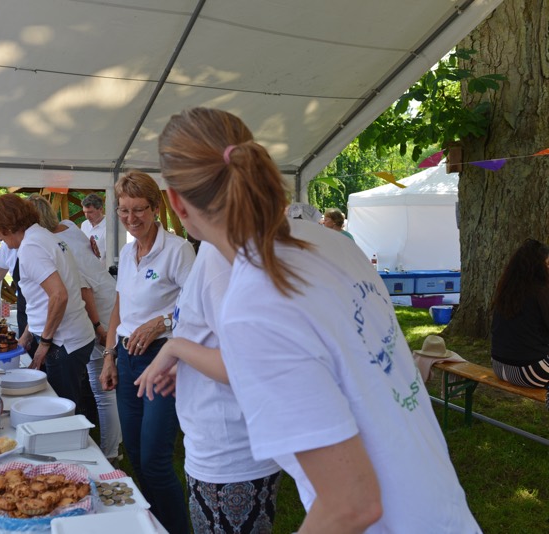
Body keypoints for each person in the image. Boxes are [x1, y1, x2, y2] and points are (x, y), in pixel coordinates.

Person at [153, 107, 479, 533]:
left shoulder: (254, 304)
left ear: (175, 202)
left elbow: (352, 504)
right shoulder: (331, 244)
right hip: (441, 509)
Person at [135, 242, 282, 533]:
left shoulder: (221, 259)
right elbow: (219, 342)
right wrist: (187, 368)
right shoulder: (213, 253)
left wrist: (175, 348)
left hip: (231, 453)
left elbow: (244, 364)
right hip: (217, 446)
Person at [99, 171, 195, 534]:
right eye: (123, 211)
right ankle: (153, 525)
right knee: (136, 457)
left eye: (138, 210)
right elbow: (119, 308)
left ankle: (176, 529)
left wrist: (161, 322)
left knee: (154, 459)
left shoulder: (178, 250)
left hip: (162, 357)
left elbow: (198, 306)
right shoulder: (126, 251)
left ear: (156, 208)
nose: (130, 218)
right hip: (127, 357)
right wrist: (109, 356)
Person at [28, 194, 121, 463]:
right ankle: (116, 445)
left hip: (98, 309)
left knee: (102, 386)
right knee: (106, 385)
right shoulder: (69, 226)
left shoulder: (53, 244)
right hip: (110, 297)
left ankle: (111, 453)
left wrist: (97, 327)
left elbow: (84, 289)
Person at [0, 194, 95, 408]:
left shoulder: (31, 247)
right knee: (66, 400)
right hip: (72, 337)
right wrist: (26, 337)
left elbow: (58, 295)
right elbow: (40, 301)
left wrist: (44, 342)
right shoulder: (44, 236)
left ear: (8, 226)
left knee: (60, 408)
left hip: (64, 342)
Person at [490, 239, 549, 390]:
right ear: (537, 268)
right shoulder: (540, 292)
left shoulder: (507, 291)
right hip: (531, 372)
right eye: (547, 265)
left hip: (499, 366)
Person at [80, 193, 107, 266]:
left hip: (104, 272)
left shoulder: (109, 227)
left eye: (90, 212)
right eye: (84, 212)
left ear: (101, 209)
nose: (87, 216)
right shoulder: (84, 224)